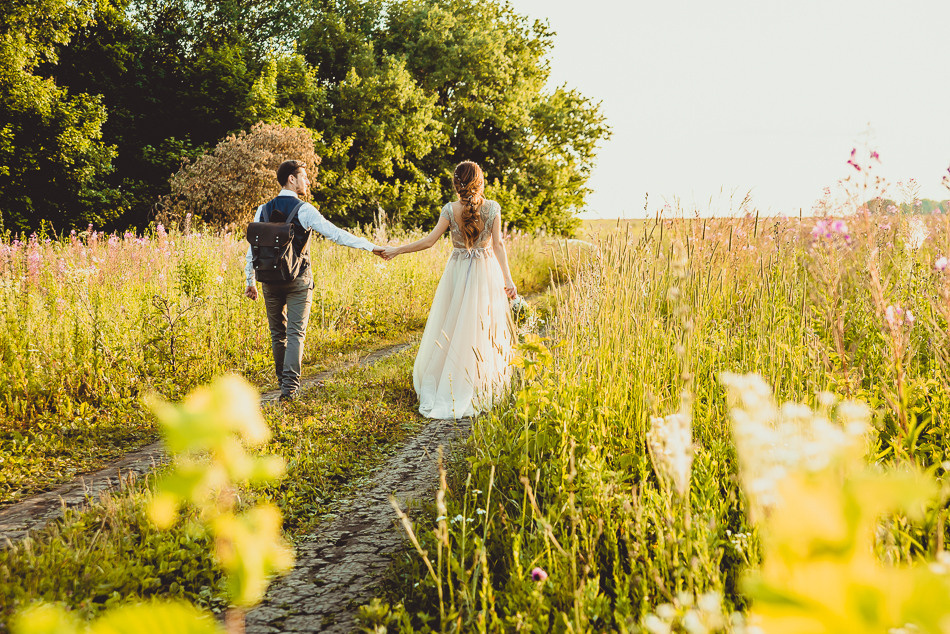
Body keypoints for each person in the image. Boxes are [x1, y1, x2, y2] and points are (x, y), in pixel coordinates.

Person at [380, 161, 517, 419]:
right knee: (482, 327)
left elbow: (429, 241)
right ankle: (479, 381)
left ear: (457, 184)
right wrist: (508, 280)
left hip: (457, 271)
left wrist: (396, 250)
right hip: (485, 271)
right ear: (480, 181)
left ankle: (451, 381)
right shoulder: (493, 208)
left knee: (453, 325)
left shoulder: (449, 209)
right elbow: (498, 245)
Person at [244, 159, 384, 401]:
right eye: (304, 177)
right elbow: (336, 234)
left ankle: (283, 385)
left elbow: (252, 248)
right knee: (295, 333)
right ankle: (289, 390)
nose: (308, 181)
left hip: (269, 280)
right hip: (298, 280)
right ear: (291, 179)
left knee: (278, 334)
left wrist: (250, 280)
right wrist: (370, 247)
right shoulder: (304, 210)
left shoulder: (262, 210)